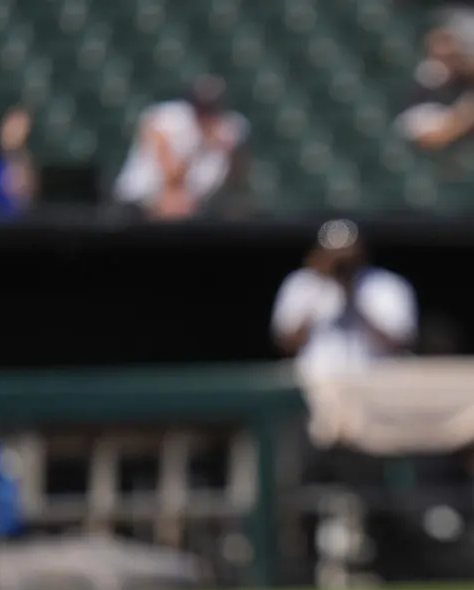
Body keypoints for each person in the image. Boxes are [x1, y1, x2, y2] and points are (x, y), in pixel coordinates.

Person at [270, 219, 418, 377]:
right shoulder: (302, 284)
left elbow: (401, 342)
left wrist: (352, 298)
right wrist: (320, 293)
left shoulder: (385, 284)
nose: (342, 261)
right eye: (334, 254)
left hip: (375, 379)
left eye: (347, 254)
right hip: (317, 380)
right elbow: (286, 343)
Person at [112, 75, 250, 220]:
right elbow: (171, 178)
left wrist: (232, 152)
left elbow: (237, 177)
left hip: (192, 209)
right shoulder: (166, 120)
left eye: (210, 109)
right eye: (201, 109)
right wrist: (201, 143)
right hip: (140, 203)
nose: (205, 115)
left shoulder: (230, 128)